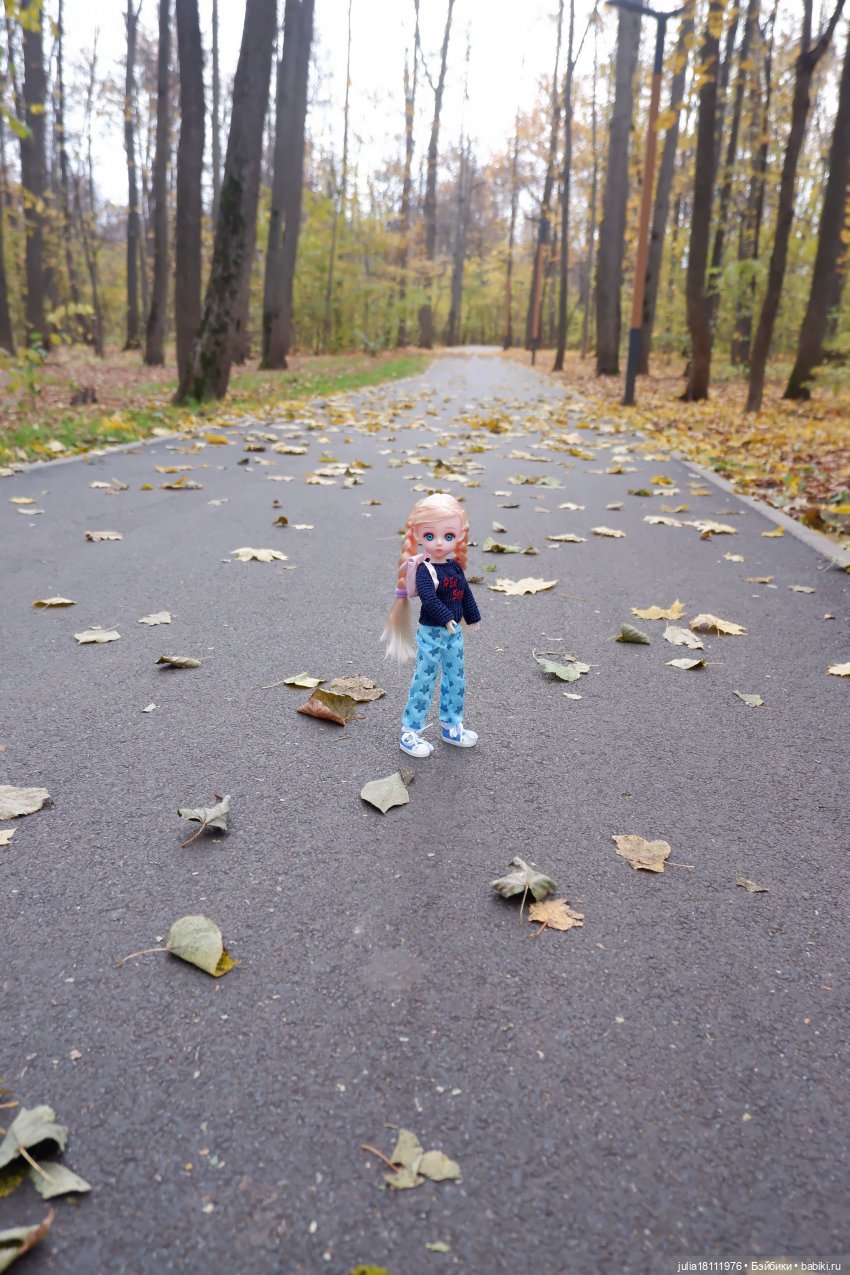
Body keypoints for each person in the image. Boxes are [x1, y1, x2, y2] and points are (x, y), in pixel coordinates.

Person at [382, 493, 481, 758]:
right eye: (430, 536)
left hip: (454, 634)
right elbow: (428, 597)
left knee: (456, 679)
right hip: (432, 632)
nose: (439, 543)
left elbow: (464, 593)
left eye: (448, 536)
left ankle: (451, 725)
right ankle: (410, 731)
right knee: (424, 680)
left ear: (460, 536)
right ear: (417, 535)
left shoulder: (455, 568)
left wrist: (472, 617)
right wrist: (447, 618)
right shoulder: (426, 569)